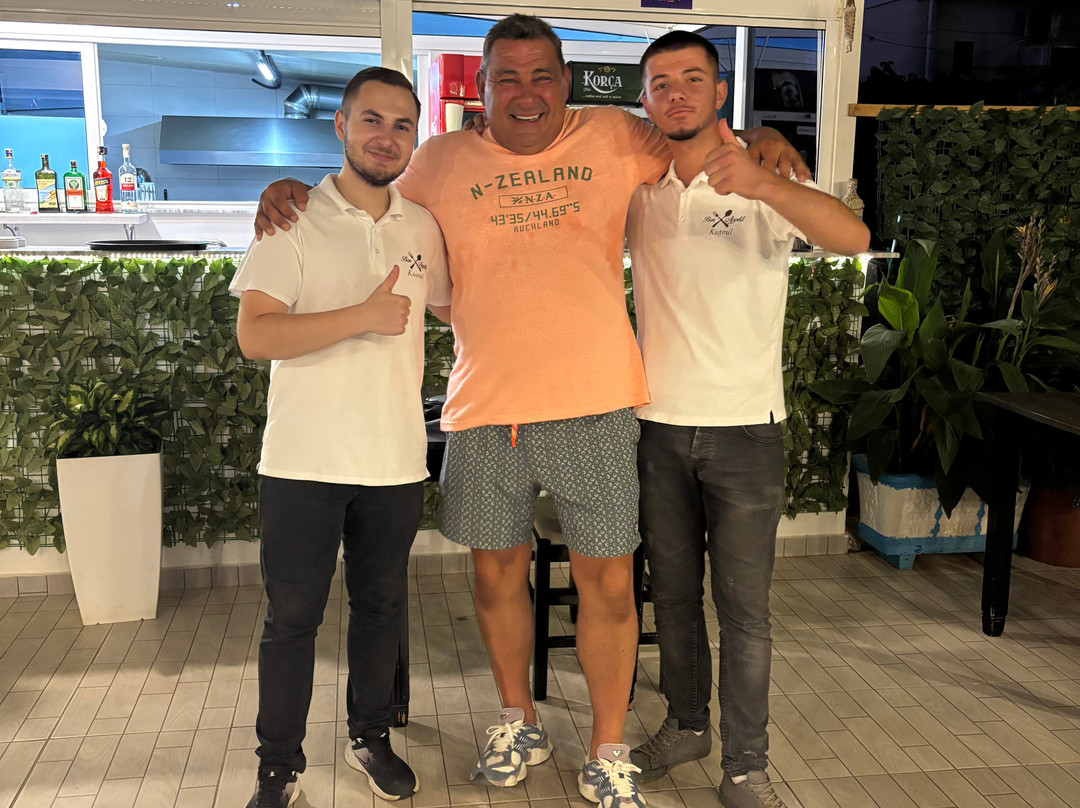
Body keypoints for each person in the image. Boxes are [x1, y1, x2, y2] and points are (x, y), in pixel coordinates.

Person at [253, 15, 807, 808]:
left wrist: (759, 135)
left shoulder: (616, 135)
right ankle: (519, 719)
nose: (525, 92)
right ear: (480, 89)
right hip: (486, 409)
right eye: (506, 76)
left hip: (597, 405)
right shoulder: (439, 160)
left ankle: (608, 748)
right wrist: (293, 194)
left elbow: (692, 133)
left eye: (541, 74)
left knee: (609, 583)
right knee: (495, 578)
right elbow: (367, 187)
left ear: (566, 81)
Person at [624, 32, 869, 808]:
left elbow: (853, 238)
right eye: (662, 83)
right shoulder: (639, 188)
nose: (678, 94)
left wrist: (764, 178)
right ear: (645, 99)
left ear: (720, 91)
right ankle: (686, 725)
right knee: (672, 600)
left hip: (746, 430)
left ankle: (746, 768)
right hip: (658, 426)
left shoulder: (764, 179)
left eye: (693, 79)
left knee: (745, 613)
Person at [231, 67, 450, 808]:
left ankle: (370, 737)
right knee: (292, 619)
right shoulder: (292, 217)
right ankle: (278, 766)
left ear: (414, 137)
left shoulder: (421, 226)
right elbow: (256, 335)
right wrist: (361, 316)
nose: (386, 137)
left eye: (401, 125)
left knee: (381, 609)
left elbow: (453, 304)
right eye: (371, 120)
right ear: (341, 125)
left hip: (393, 458)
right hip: (304, 459)